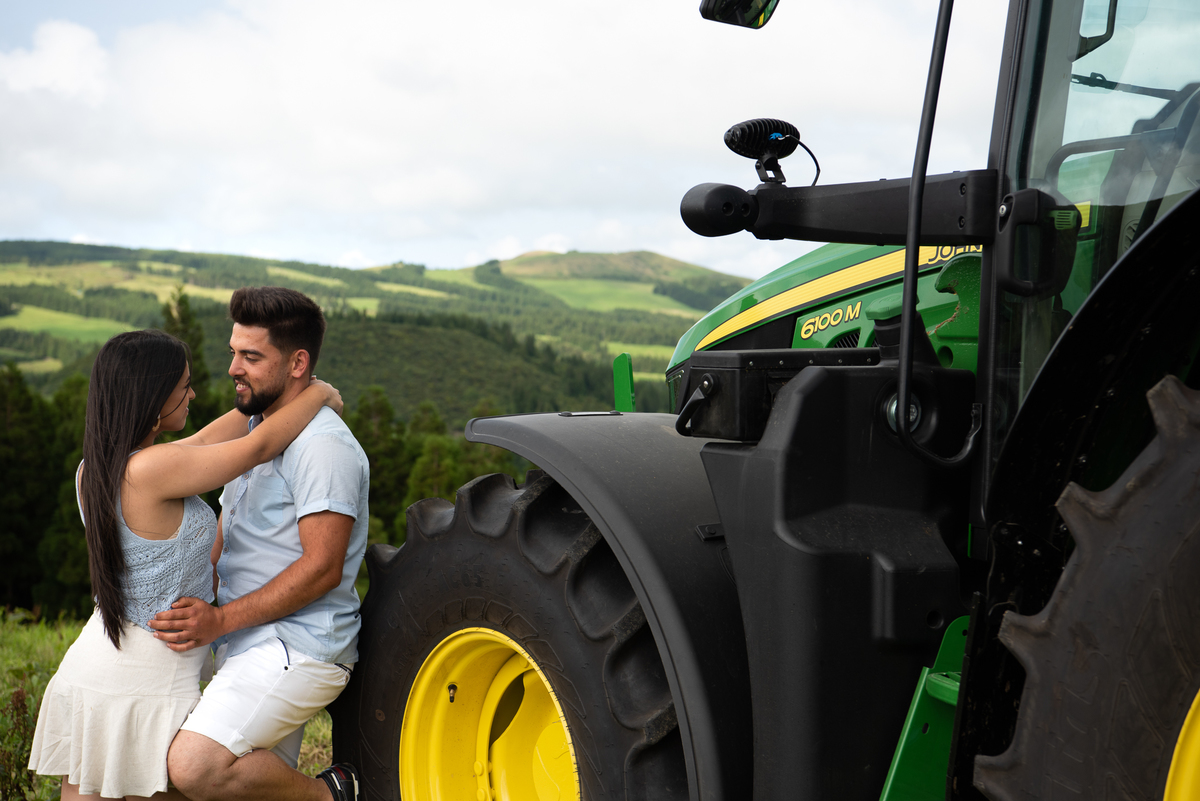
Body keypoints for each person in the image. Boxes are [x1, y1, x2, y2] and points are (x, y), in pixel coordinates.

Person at [27, 328, 343, 801]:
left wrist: (280, 395)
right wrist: (319, 393)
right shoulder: (151, 471)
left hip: (101, 664)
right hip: (142, 679)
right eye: (184, 387)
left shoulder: (100, 467)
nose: (193, 393)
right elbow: (257, 448)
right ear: (154, 399)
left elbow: (210, 436)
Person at [148, 286, 369, 801]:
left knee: (194, 764)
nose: (233, 368)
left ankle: (334, 795)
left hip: (301, 646)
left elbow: (323, 568)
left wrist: (220, 620)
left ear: (297, 363)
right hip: (245, 638)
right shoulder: (256, 427)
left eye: (251, 356)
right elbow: (232, 522)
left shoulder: (324, 447)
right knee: (165, 769)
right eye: (233, 352)